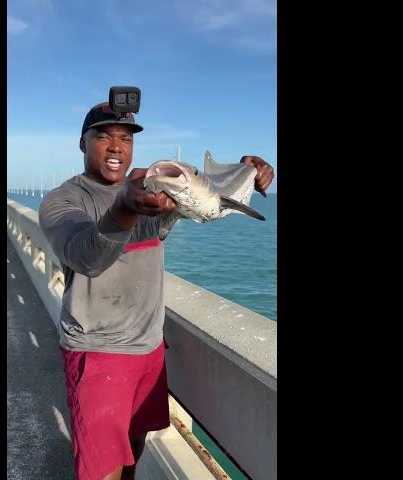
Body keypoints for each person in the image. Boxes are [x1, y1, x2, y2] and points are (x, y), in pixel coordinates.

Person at [39, 102, 274, 480]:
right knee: (101, 469)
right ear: (82, 144)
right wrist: (125, 210)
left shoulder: (157, 194)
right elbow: (87, 258)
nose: (116, 146)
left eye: (126, 138)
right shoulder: (63, 201)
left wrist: (246, 171)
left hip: (148, 349)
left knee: (134, 449)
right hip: (98, 353)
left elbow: (208, 203)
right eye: (103, 136)